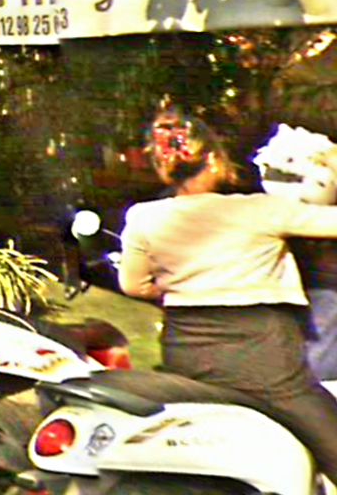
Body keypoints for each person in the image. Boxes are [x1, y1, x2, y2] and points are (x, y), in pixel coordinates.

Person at [118, 106, 337, 484]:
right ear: (215, 160)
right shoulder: (259, 210)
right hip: (262, 355)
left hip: (186, 351)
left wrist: (187, 285)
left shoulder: (143, 216)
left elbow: (133, 286)